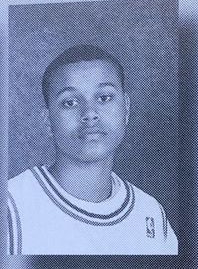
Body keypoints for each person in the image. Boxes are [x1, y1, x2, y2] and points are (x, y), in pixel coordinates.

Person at [8, 44, 178, 255]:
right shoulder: (11, 207)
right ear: (47, 120)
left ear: (126, 108)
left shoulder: (151, 214)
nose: (90, 113)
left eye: (104, 98)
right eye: (70, 102)